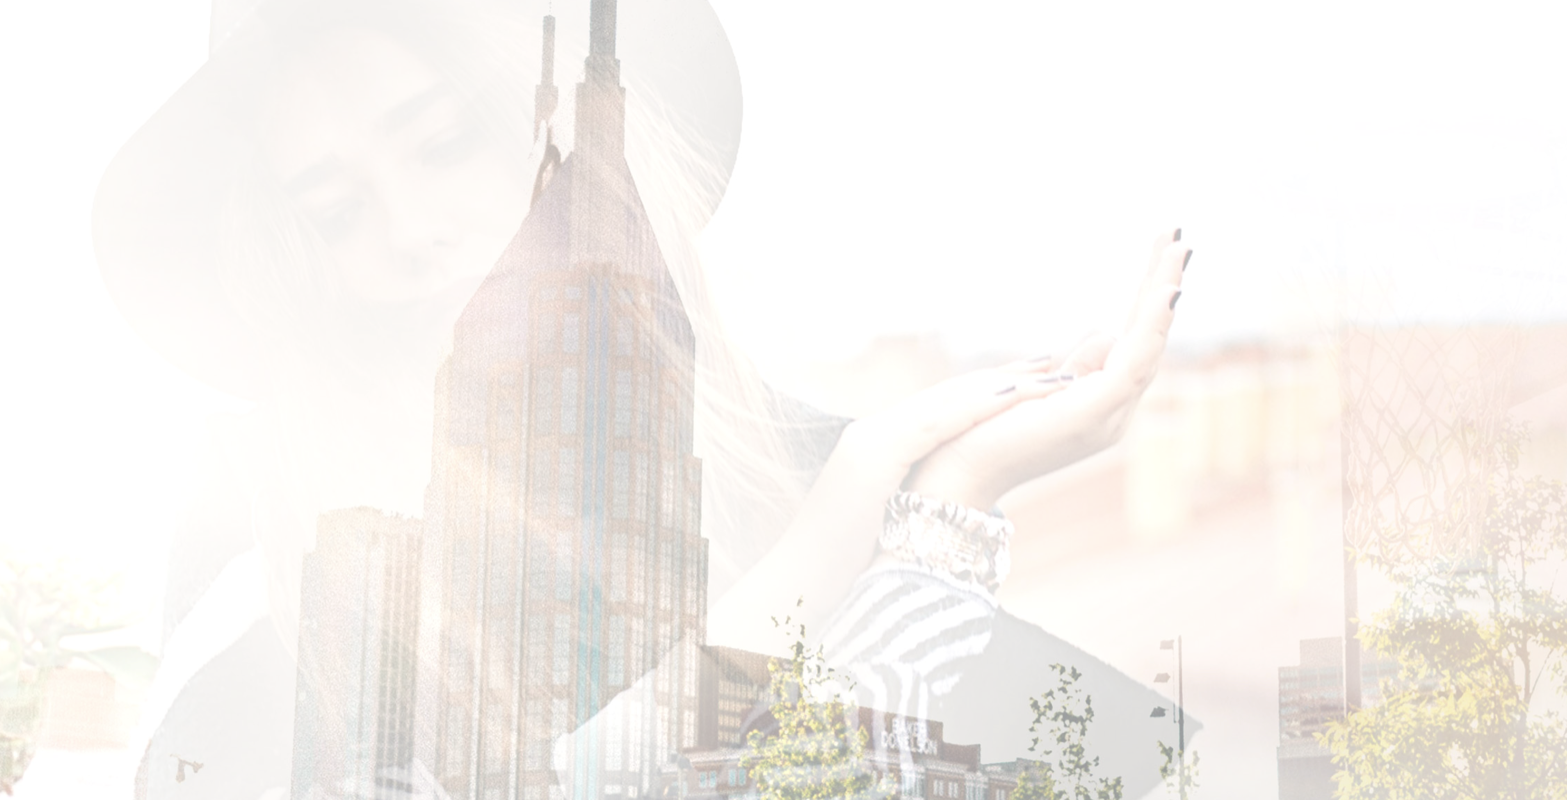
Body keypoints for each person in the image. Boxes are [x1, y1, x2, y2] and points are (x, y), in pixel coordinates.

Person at [92, 0, 1196, 797]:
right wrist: (893, 541)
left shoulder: (813, 475)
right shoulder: (270, 610)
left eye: (445, 142)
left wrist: (928, 512)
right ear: (304, 280)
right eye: (334, 213)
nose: (412, 225)